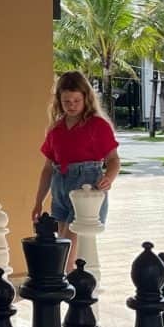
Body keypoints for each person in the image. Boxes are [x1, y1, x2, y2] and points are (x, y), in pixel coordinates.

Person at [31, 71, 121, 267]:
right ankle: (71, 289)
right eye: (66, 101)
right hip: (60, 191)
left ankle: (73, 291)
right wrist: (38, 202)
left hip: (86, 189)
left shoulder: (98, 126)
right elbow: (47, 169)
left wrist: (109, 178)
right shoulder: (56, 129)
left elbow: (113, 159)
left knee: (67, 252)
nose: (71, 106)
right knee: (62, 244)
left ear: (86, 99)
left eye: (76, 101)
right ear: (59, 101)